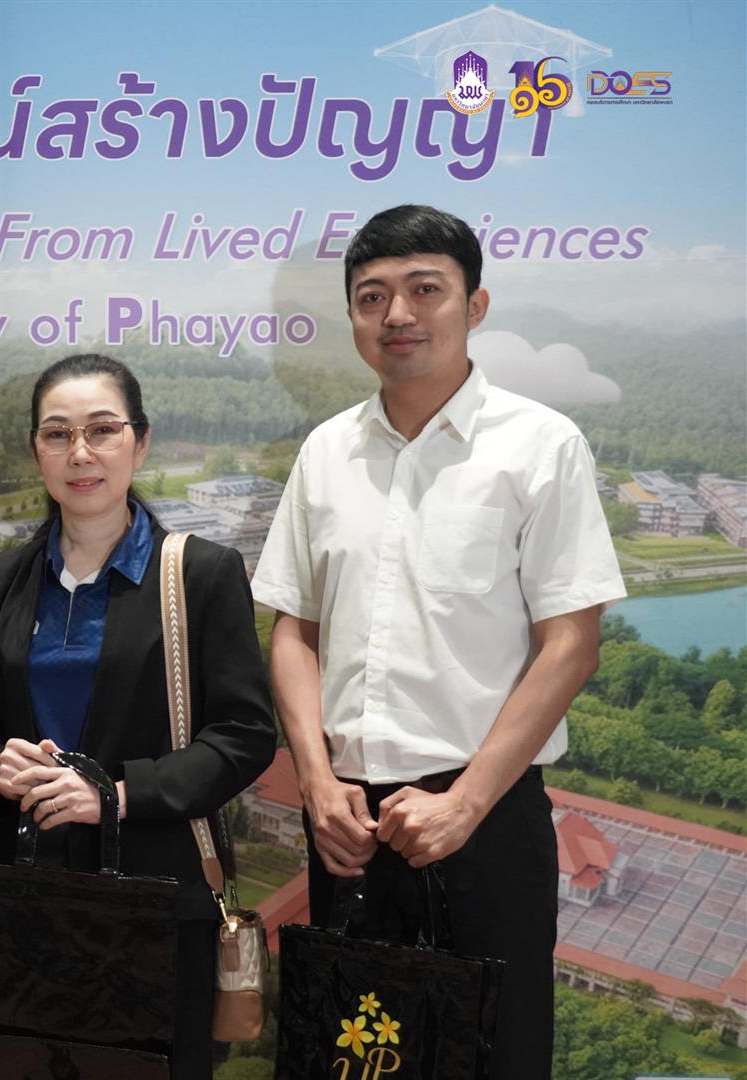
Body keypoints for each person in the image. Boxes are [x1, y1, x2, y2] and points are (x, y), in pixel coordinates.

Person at [252, 204, 625, 1078]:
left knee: (494, 1055)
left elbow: (571, 644)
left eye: (425, 290)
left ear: (475, 304)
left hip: (484, 822)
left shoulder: (540, 446)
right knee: (348, 1057)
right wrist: (315, 779)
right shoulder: (326, 452)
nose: (398, 314)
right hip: (347, 826)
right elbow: (294, 630)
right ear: (353, 317)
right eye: (372, 296)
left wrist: (463, 803)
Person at [0, 353, 277, 1074]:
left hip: (156, 895)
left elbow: (245, 734)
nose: (80, 453)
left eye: (102, 430)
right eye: (57, 434)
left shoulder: (199, 572)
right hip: (30, 890)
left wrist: (117, 794)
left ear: (141, 442)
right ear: (36, 449)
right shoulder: (5, 577)